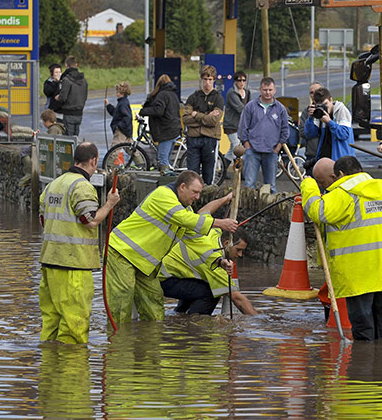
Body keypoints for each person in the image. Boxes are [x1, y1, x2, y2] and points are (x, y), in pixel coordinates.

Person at [106, 170, 239, 326]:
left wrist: (218, 261)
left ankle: (150, 345)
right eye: (194, 192)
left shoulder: (186, 211)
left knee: (154, 306)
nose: (197, 197)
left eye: (199, 193)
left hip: (145, 265)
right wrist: (219, 223)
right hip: (122, 253)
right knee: (122, 301)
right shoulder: (163, 195)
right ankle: (117, 344)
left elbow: (197, 241)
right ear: (182, 187)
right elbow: (184, 218)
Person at [300, 155, 382, 341]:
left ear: (340, 174)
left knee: (363, 332)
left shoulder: (345, 193)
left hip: (359, 276)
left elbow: (318, 211)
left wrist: (309, 186)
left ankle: (362, 366)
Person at [38, 142, 121, 344]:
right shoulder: (82, 186)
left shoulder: (53, 185)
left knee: (51, 322)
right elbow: (90, 220)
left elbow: (43, 219)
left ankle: (50, 369)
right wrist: (109, 204)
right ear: (93, 161)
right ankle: (72, 372)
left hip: (50, 263)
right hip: (73, 265)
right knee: (73, 325)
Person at [160, 194, 259, 316]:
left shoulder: (214, 231)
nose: (240, 255)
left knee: (201, 286)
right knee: (211, 292)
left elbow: (204, 211)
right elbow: (237, 299)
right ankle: (194, 322)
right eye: (238, 250)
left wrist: (225, 199)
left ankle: (180, 314)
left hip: (165, 273)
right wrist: (258, 322)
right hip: (165, 279)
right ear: (227, 243)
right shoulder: (215, 261)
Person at [237, 77, 289, 193]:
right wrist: (247, 145)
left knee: (271, 187)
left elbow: (285, 130)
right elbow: (242, 128)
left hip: (271, 152)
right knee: (249, 186)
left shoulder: (280, 109)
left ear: (275, 90)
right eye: (265, 90)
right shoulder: (250, 107)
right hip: (252, 152)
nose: (268, 93)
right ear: (260, 90)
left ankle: (271, 210)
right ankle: (248, 209)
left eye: (270, 90)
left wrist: (278, 148)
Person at [183, 65, 224, 184]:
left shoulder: (218, 98)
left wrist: (196, 115)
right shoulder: (193, 97)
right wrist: (207, 115)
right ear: (201, 80)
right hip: (193, 139)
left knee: (208, 175)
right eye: (205, 79)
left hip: (210, 139)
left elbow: (214, 121)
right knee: (192, 175)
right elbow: (185, 118)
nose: (207, 82)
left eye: (210, 79)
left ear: (214, 80)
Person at [139, 74, 182, 174]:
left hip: (166, 130)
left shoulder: (162, 95)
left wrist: (143, 111)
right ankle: (168, 176)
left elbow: (158, 111)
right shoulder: (173, 94)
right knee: (166, 158)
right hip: (174, 129)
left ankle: (166, 181)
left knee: (162, 159)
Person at [304, 86, 355, 163]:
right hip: (324, 159)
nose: (324, 108)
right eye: (320, 105)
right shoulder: (320, 112)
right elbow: (310, 134)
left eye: (325, 104)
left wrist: (329, 122)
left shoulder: (341, 110)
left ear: (331, 100)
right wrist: (311, 118)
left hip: (341, 160)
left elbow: (344, 134)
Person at [56, 56, 89, 137]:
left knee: (68, 139)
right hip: (79, 112)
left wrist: (58, 97)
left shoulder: (66, 80)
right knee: (75, 137)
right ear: (76, 64)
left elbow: (63, 97)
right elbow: (85, 96)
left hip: (68, 112)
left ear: (66, 65)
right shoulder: (84, 80)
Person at [224, 71, 250, 163]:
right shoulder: (231, 93)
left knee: (232, 149)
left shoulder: (247, 92)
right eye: (239, 80)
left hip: (240, 126)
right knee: (237, 148)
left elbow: (249, 106)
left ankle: (223, 169)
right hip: (231, 125)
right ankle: (239, 170)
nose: (242, 82)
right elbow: (241, 108)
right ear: (235, 81)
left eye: (244, 80)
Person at [300, 82, 323, 175]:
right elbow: (302, 132)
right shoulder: (306, 112)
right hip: (311, 155)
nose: (314, 95)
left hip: (327, 155)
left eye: (317, 92)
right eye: (311, 92)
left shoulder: (330, 108)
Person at [104, 81, 133, 146]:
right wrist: (108, 105)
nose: (116, 94)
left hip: (121, 131)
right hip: (126, 130)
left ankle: (109, 157)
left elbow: (127, 117)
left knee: (114, 150)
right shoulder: (122, 102)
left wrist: (118, 126)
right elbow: (116, 113)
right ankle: (139, 156)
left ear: (122, 93)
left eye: (118, 92)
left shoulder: (123, 103)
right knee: (131, 149)